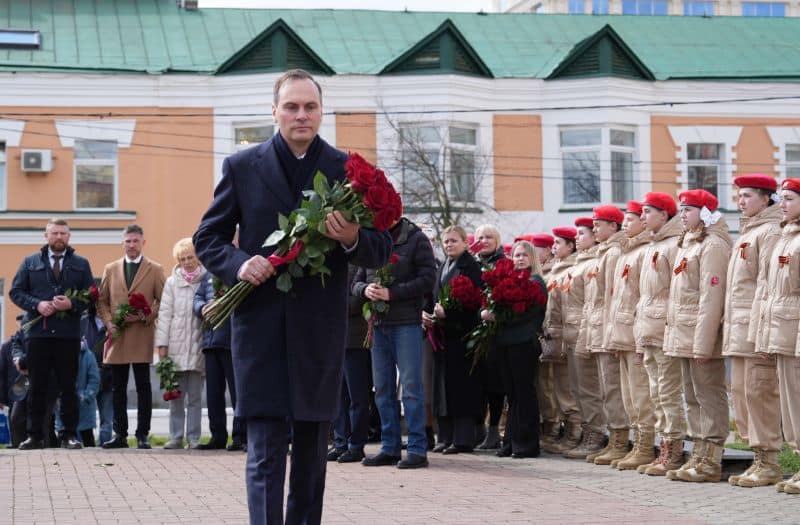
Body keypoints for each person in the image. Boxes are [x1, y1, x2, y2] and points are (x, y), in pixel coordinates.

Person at [193, 69, 391, 525]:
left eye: (310, 107)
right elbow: (208, 237)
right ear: (275, 111)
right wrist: (239, 263)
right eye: (291, 106)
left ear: (322, 112)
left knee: (310, 457)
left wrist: (352, 238)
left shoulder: (347, 171)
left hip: (319, 333)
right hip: (259, 327)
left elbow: (382, 246)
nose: (301, 115)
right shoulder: (241, 167)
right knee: (263, 451)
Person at [354, 216, 437, 469]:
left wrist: (392, 293)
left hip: (406, 324)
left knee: (411, 388)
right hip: (378, 325)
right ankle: (389, 447)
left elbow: (427, 279)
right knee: (382, 389)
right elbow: (356, 281)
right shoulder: (371, 238)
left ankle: (416, 449)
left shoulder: (416, 239)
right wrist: (364, 290)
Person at [663, 190, 731, 483]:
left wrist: (703, 343)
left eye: (688, 210)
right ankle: (699, 452)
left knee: (708, 395)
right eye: (681, 210)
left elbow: (710, 297)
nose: (683, 215)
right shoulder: (687, 244)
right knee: (691, 396)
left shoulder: (712, 245)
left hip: (700, 336)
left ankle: (712, 458)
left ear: (704, 213)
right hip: (683, 333)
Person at [9, 218, 95, 450]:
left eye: (63, 234)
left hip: (68, 336)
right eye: (55, 233)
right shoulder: (30, 262)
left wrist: (72, 304)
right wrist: (37, 305)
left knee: (69, 386)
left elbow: (90, 296)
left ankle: (69, 435)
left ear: (69, 237)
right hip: (38, 335)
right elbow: (15, 292)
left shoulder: (81, 263)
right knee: (37, 386)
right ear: (46, 236)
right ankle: (34, 435)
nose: (59, 237)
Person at [723, 175, 783, 488]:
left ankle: (770, 460)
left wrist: (762, 332)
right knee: (743, 393)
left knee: (760, 393)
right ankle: (758, 457)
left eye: (747, 196)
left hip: (755, 328)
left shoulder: (770, 232)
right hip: (740, 328)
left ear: (765, 198)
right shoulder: (749, 232)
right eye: (739, 196)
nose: (740, 201)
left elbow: (767, 285)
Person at [98, 224, 166, 450]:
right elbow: (102, 300)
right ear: (122, 243)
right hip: (117, 336)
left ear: (143, 243)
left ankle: (143, 434)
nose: (131, 245)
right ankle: (120, 434)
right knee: (118, 387)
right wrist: (108, 323)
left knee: (143, 386)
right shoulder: (111, 268)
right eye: (127, 241)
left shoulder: (154, 269)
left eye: (135, 241)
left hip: (142, 334)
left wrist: (146, 314)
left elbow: (162, 299)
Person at [635, 193, 687, 477]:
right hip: (649, 330)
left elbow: (674, 295)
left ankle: (673, 449)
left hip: (664, 331)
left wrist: (668, 330)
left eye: (647, 212)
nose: (643, 218)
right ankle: (663, 446)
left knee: (668, 394)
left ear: (664, 215)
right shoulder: (653, 247)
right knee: (655, 394)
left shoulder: (673, 245)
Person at [604, 201, 657, 470]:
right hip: (622, 332)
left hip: (636, 333)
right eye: (624, 220)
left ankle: (646, 444)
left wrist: (638, 336)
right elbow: (615, 300)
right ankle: (636, 443)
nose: (626, 225)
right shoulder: (626, 253)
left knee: (640, 393)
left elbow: (640, 298)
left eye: (631, 219)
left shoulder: (644, 252)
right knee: (628, 395)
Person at [756, 178, 800, 495]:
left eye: (789, 198)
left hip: (795, 335)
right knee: (791, 406)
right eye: (780, 198)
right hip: (783, 334)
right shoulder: (785, 239)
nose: (782, 203)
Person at [487, 240, 547, 458]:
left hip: (523, 343)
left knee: (524, 393)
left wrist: (498, 316)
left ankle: (527, 444)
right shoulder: (512, 280)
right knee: (511, 395)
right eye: (516, 255)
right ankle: (511, 442)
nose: (519, 258)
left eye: (524, 255)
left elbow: (526, 314)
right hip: (506, 343)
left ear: (532, 258)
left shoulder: (536, 282)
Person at [426, 225, 483, 454]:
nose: (449, 245)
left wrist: (449, 314)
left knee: (461, 388)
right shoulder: (443, 267)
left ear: (465, 243)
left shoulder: (471, 268)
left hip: (462, 335)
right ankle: (445, 436)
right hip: (442, 335)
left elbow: (475, 302)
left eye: (453, 241)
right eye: (446, 241)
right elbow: (434, 297)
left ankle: (462, 439)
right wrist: (428, 314)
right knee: (442, 387)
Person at [580, 205, 629, 466]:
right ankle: (615, 438)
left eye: (599, 224)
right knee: (605, 387)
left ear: (613, 226)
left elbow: (612, 297)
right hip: (598, 327)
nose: (595, 228)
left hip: (607, 328)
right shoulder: (603, 253)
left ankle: (620, 440)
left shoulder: (613, 253)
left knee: (612, 388)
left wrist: (610, 334)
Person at [156, 238, 206, 450]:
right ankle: (176, 437)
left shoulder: (206, 280)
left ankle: (193, 438)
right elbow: (165, 315)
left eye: (190, 257)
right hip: (175, 348)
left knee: (195, 398)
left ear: (197, 258)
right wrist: (162, 345)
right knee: (176, 397)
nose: (187, 262)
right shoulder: (171, 282)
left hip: (198, 345)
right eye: (182, 258)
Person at [562, 217, 606, 459]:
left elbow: (592, 302)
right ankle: (585, 431)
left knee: (589, 388)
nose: (577, 238)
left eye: (582, 233)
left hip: (584, 330)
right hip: (572, 332)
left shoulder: (593, 264)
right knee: (577, 388)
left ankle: (595, 434)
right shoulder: (579, 264)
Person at [194, 271, 247, 451]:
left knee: (237, 393)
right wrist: (201, 307)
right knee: (213, 395)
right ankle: (217, 436)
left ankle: (240, 436)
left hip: (232, 342)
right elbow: (197, 297)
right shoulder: (207, 273)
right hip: (210, 340)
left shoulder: (238, 269)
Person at [541, 227, 582, 454]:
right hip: (554, 334)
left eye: (559, 243)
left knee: (567, 388)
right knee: (557, 386)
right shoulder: (559, 269)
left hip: (566, 334)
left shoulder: (571, 270)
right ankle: (561, 430)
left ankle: (573, 432)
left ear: (570, 246)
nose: (554, 247)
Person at [328, 264, 372, 462]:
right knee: (338, 396)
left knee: (357, 396)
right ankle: (340, 442)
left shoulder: (361, 262)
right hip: (334, 340)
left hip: (356, 339)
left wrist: (330, 305)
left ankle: (356, 444)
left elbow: (358, 301)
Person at [473, 224, 506, 450]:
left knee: (495, 383)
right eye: (481, 237)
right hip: (473, 327)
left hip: (495, 331)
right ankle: (478, 429)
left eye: (489, 237)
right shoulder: (471, 263)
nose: (485, 241)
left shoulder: (503, 263)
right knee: (477, 383)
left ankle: (494, 429)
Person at [55, 339, 100, 446]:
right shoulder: (60, 354)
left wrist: (86, 397)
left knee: (88, 439)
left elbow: (94, 380)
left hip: (84, 407)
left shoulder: (88, 356)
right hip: (64, 404)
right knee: (63, 437)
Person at [81, 302, 112, 446]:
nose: (101, 310)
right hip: (86, 380)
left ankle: (105, 445)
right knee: (85, 415)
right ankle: (87, 445)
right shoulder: (84, 322)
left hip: (108, 377)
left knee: (106, 418)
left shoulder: (114, 324)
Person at [0, 315, 26, 447]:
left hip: (31, 389)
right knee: (14, 420)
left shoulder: (33, 343)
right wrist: (1, 398)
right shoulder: (6, 347)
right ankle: (16, 445)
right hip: (13, 391)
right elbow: (2, 373)